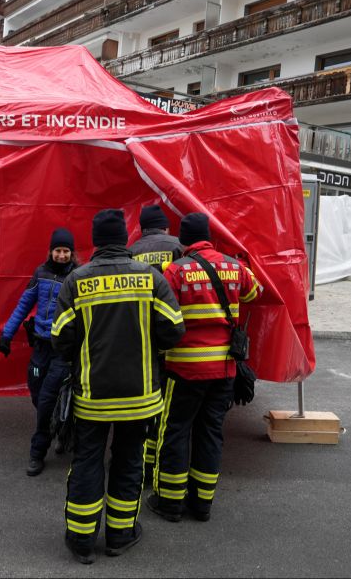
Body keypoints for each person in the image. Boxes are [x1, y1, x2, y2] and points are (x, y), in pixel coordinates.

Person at [51, 209, 185, 564]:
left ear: (96, 241)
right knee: (128, 462)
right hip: (141, 397)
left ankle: (81, 540)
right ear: (123, 239)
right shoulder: (150, 278)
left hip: (92, 398)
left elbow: (60, 338)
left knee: (88, 461)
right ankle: (120, 536)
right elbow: (174, 328)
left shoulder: (76, 281)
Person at [148, 212, 262, 523]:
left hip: (184, 369)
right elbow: (255, 292)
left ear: (183, 240)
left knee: (175, 432)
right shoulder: (233, 265)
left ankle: (169, 503)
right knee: (211, 433)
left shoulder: (175, 270)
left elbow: (158, 311)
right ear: (208, 236)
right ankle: (202, 504)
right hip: (223, 369)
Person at [0, 227, 78, 477]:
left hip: (62, 349)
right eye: (58, 250)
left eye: (66, 251)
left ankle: (37, 453)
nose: (62, 255)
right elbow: (24, 304)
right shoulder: (40, 274)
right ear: (51, 252)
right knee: (36, 390)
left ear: (72, 253)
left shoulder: (77, 277)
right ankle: (59, 424)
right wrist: (6, 334)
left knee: (45, 399)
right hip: (40, 346)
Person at [128, 203, 183, 482]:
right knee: (167, 402)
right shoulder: (178, 246)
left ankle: (143, 461)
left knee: (146, 397)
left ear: (142, 227)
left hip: (140, 334)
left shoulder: (132, 251)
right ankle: (157, 461)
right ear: (165, 226)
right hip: (170, 330)